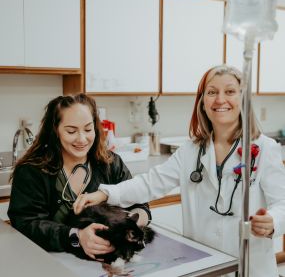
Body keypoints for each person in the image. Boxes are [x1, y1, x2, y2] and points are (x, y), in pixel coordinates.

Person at [73, 65, 285, 277]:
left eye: (230, 91)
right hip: (208, 265)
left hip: (250, 267)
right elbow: (150, 183)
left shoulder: (265, 149)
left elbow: (283, 204)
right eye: (212, 92)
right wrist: (105, 193)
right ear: (202, 101)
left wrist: (272, 221)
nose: (220, 99)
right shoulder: (191, 151)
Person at [8, 93, 151, 260]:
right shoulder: (32, 171)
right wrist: (75, 236)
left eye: (88, 129)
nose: (82, 139)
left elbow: (141, 204)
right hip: (48, 261)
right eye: (71, 131)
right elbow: (25, 223)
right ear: (56, 130)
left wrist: (130, 224)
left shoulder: (111, 163)